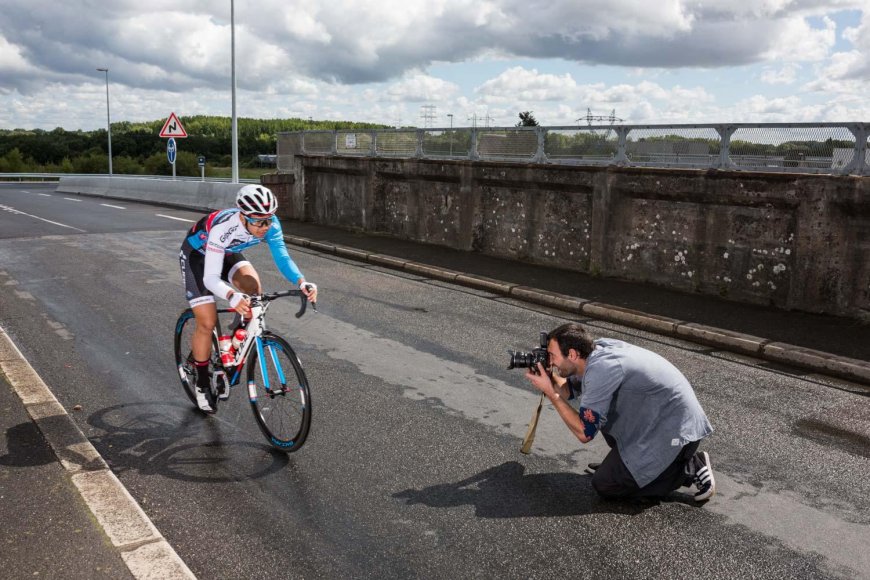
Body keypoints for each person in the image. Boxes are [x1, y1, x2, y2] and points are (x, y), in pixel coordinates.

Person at [524, 322, 715, 501]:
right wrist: (549, 378)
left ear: (572, 354)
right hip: (654, 419)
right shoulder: (593, 353)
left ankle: (688, 467)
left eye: (552, 356)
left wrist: (550, 392)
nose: (551, 361)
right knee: (605, 418)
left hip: (677, 429)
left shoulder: (602, 369)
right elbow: (569, 390)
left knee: (607, 485)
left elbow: (584, 432)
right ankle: (632, 465)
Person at [178, 184, 317, 413]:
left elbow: (282, 258)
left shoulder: (270, 224)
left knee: (254, 288)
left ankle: (232, 344)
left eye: (269, 220)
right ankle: (202, 383)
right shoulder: (224, 229)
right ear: (243, 217)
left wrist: (302, 282)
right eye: (258, 222)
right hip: (198, 257)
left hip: (227, 253)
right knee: (207, 321)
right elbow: (211, 279)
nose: (265, 227)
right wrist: (231, 295)